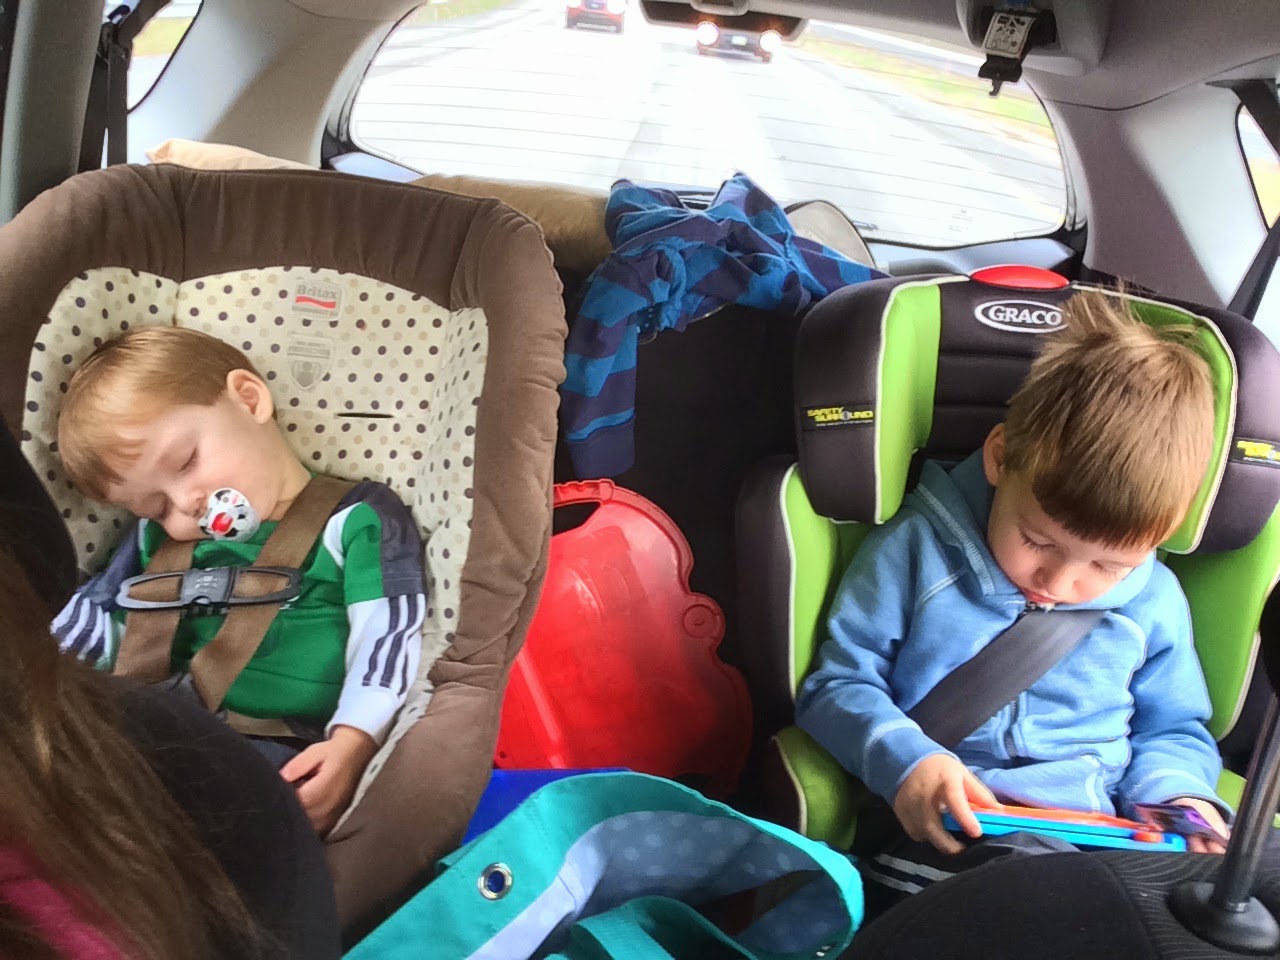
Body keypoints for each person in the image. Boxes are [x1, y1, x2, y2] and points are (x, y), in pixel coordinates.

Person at [795, 290, 1232, 915]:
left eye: (1109, 565)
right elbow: (836, 686)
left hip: (1101, 833)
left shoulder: (1154, 599)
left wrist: (1176, 797)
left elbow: (1172, 727)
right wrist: (908, 762)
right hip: (954, 825)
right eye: (1038, 541)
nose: (1060, 581)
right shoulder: (915, 553)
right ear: (1000, 458)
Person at [49, 327, 426, 835]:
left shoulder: (356, 520)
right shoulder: (161, 542)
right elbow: (116, 628)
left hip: (285, 747)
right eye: (155, 507)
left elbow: (387, 634)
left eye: (186, 462)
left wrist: (354, 740)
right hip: (161, 728)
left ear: (249, 400)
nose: (185, 505)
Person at [0, 515, 341, 959]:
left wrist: (354, 734)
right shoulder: (151, 546)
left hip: (288, 738)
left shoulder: (347, 522)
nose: (182, 516)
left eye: (183, 472)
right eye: (156, 507)